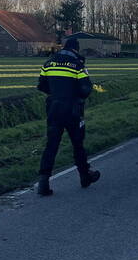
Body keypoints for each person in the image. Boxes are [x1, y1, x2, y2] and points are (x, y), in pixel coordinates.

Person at [36, 37, 101, 196]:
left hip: (54, 109)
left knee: (51, 145)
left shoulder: (48, 63)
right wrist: (74, 97)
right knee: (78, 144)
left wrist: (56, 94)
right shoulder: (77, 65)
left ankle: (43, 182)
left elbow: (41, 85)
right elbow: (86, 88)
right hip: (72, 110)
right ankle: (85, 176)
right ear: (76, 49)